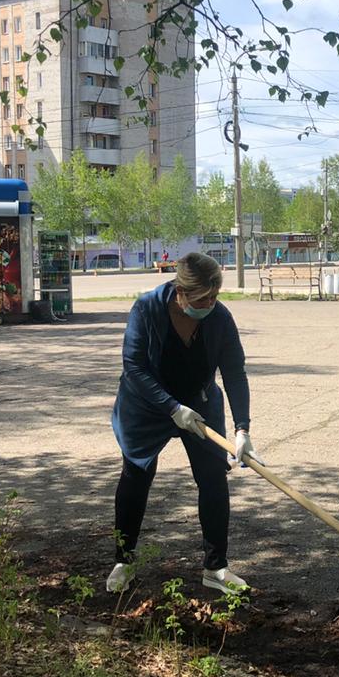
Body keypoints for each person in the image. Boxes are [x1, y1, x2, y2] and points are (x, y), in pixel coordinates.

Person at [107, 252, 260, 595]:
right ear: (180, 291)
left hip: (199, 403)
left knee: (213, 479)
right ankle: (124, 560)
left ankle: (216, 567)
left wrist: (242, 429)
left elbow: (234, 372)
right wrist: (171, 407)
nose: (210, 303)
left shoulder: (219, 318)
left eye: (215, 295)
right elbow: (134, 366)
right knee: (136, 474)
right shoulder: (147, 309)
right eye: (202, 298)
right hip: (146, 404)